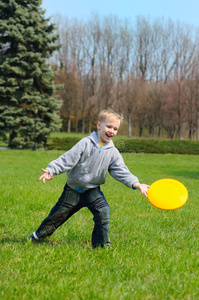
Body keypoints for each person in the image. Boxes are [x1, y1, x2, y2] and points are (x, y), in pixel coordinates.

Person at [28, 109, 149, 248]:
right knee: (58, 215)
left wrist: (136, 184)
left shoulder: (113, 152)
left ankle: (101, 246)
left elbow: (121, 171)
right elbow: (67, 159)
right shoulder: (85, 143)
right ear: (99, 125)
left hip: (92, 191)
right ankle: (37, 236)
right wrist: (51, 170)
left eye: (115, 129)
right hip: (72, 190)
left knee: (104, 212)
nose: (112, 131)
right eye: (109, 126)